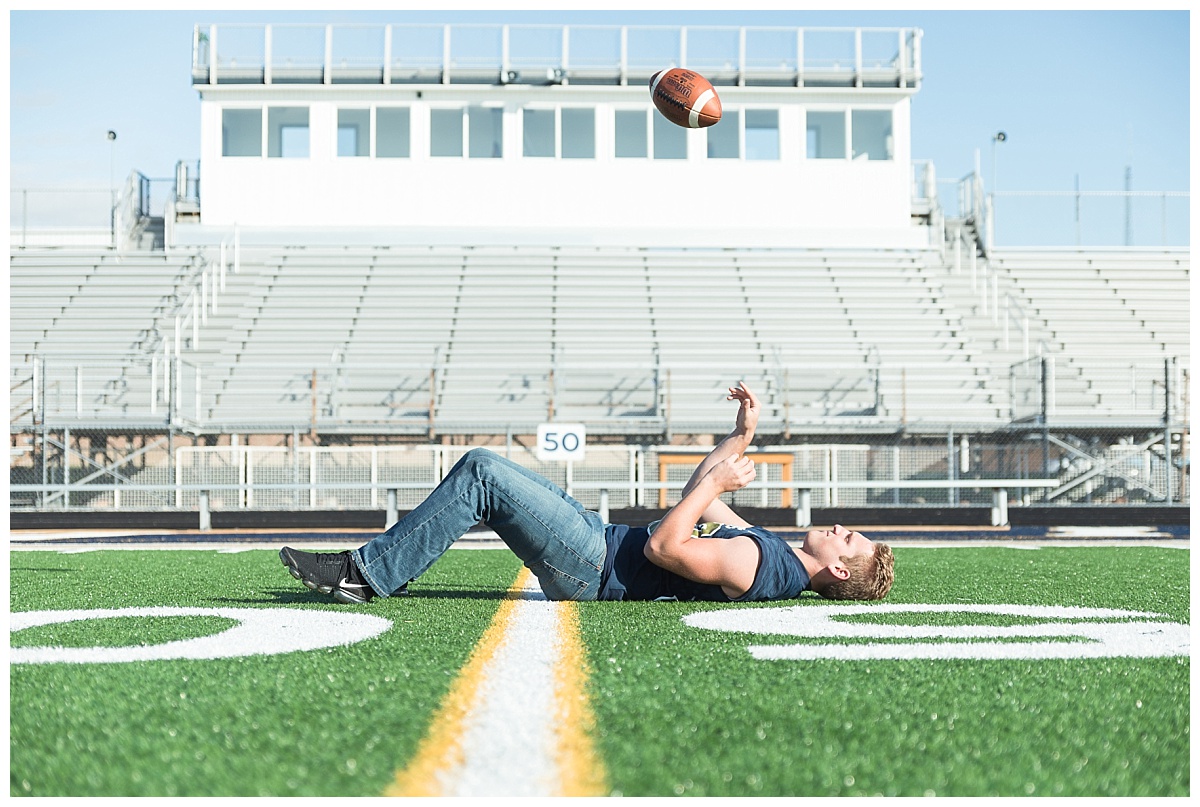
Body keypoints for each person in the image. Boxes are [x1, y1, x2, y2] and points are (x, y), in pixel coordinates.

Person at [280, 382, 893, 604]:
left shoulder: (759, 563)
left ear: (839, 569)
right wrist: (740, 437)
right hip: (599, 542)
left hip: (595, 566)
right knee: (486, 474)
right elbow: (698, 496)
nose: (840, 526)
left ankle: (368, 574)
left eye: (848, 538)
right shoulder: (773, 554)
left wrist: (714, 482)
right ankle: (390, 565)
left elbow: (663, 546)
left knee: (482, 472)